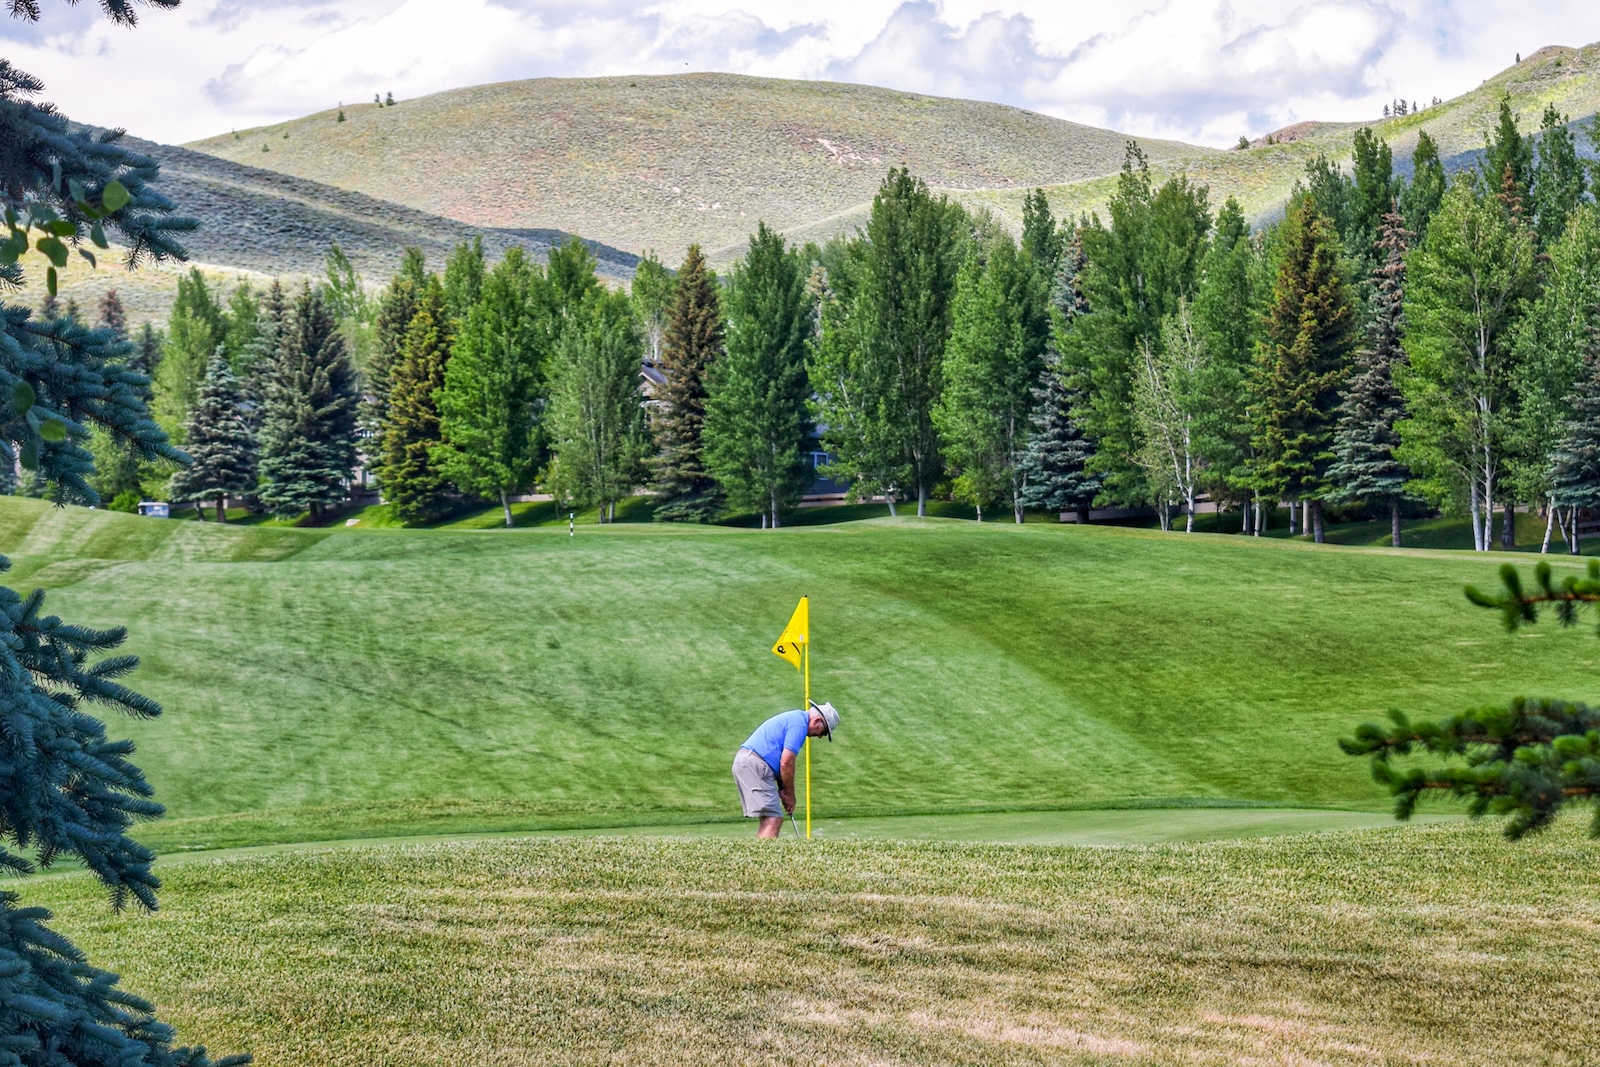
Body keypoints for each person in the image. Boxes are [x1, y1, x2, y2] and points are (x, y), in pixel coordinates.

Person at [732, 700, 839, 838]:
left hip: (751, 763)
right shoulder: (799, 724)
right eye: (823, 732)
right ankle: (763, 858)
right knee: (773, 819)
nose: (819, 736)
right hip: (755, 764)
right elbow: (786, 762)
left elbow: (780, 760)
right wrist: (790, 795)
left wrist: (783, 788)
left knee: (770, 817)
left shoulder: (796, 719)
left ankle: (760, 856)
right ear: (817, 720)